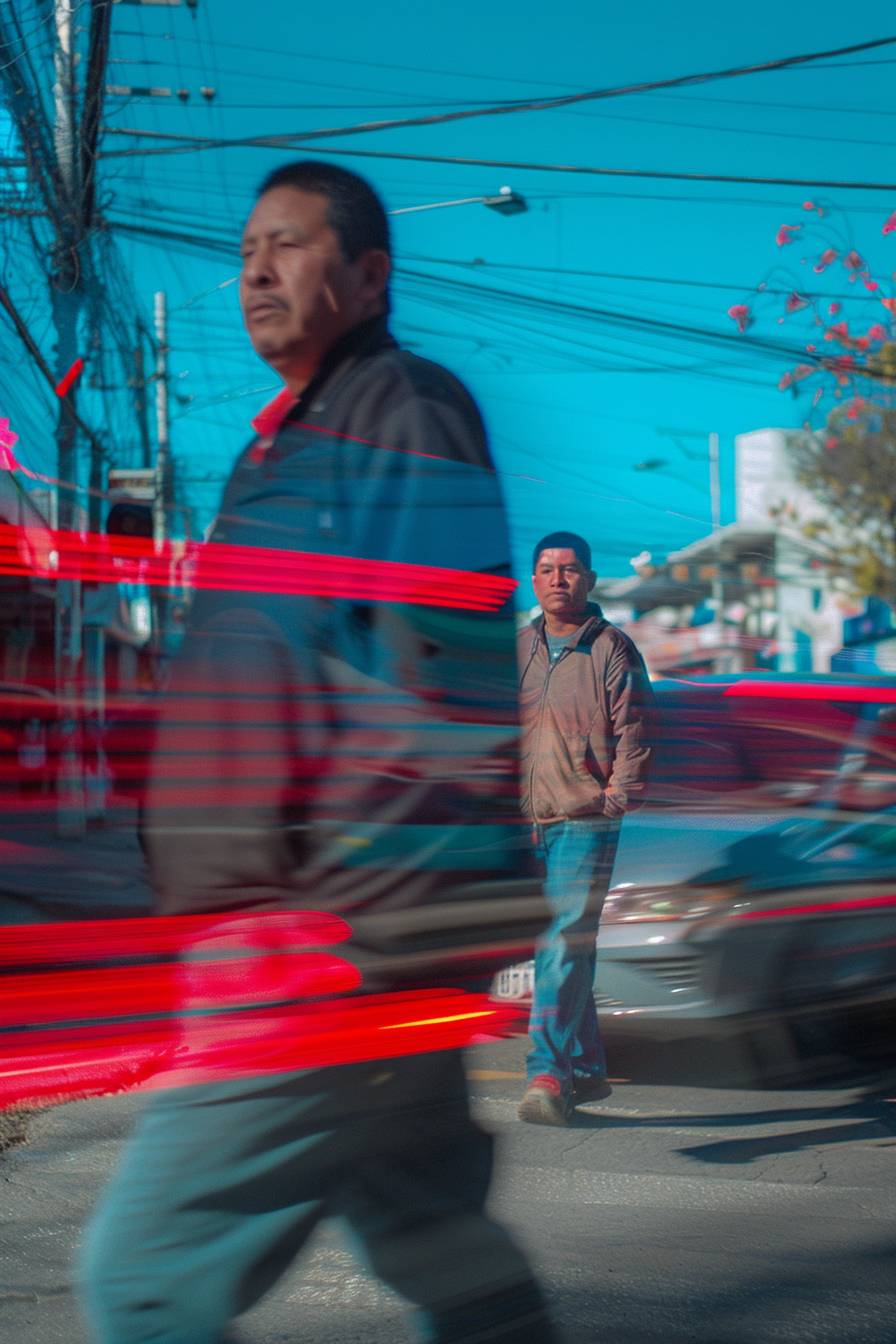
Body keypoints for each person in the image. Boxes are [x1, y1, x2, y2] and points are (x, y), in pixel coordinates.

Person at [80, 162, 555, 1343]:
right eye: (247, 248)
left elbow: (437, 698)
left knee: (144, 1281)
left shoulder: (401, 412)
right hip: (338, 945)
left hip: (330, 953)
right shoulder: (276, 454)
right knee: (436, 1247)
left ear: (369, 274)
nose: (253, 269)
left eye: (288, 245)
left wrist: (335, 943)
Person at [517, 531, 654, 1127]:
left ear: (589, 579)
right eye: (546, 569)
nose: (557, 579)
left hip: (584, 821)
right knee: (567, 948)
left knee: (560, 945)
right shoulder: (518, 649)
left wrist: (613, 803)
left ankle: (544, 1073)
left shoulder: (612, 649)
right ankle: (586, 1066)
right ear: (533, 580)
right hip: (526, 824)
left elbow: (638, 735)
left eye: (569, 570)